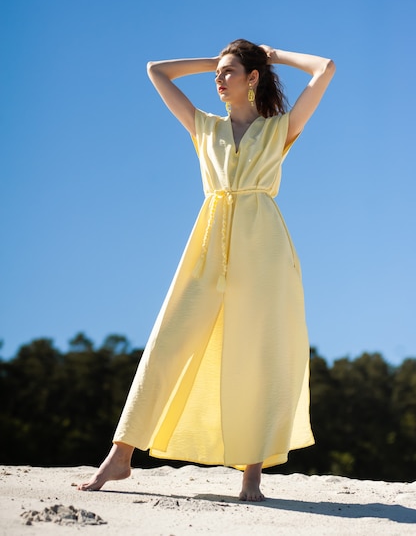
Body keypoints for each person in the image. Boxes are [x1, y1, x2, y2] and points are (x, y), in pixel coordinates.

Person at [78, 39, 335, 501]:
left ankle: (251, 475)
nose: (218, 80)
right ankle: (120, 458)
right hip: (208, 240)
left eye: (228, 72)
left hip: (264, 250)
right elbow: (157, 70)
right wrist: (217, 60)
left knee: (257, 353)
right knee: (169, 339)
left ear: (252, 78)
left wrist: (272, 57)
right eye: (217, 73)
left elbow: (326, 68)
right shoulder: (204, 127)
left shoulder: (280, 130)